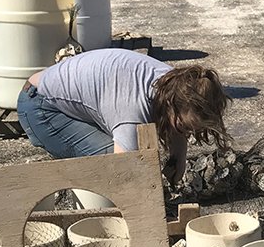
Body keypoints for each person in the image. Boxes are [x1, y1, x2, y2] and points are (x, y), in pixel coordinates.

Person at [17, 47, 229, 186]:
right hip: (41, 107)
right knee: (116, 169)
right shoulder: (130, 111)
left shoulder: (174, 84)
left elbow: (179, 123)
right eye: (186, 127)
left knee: (142, 161)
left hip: (61, 93)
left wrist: (178, 159)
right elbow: (123, 172)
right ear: (171, 104)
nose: (188, 133)